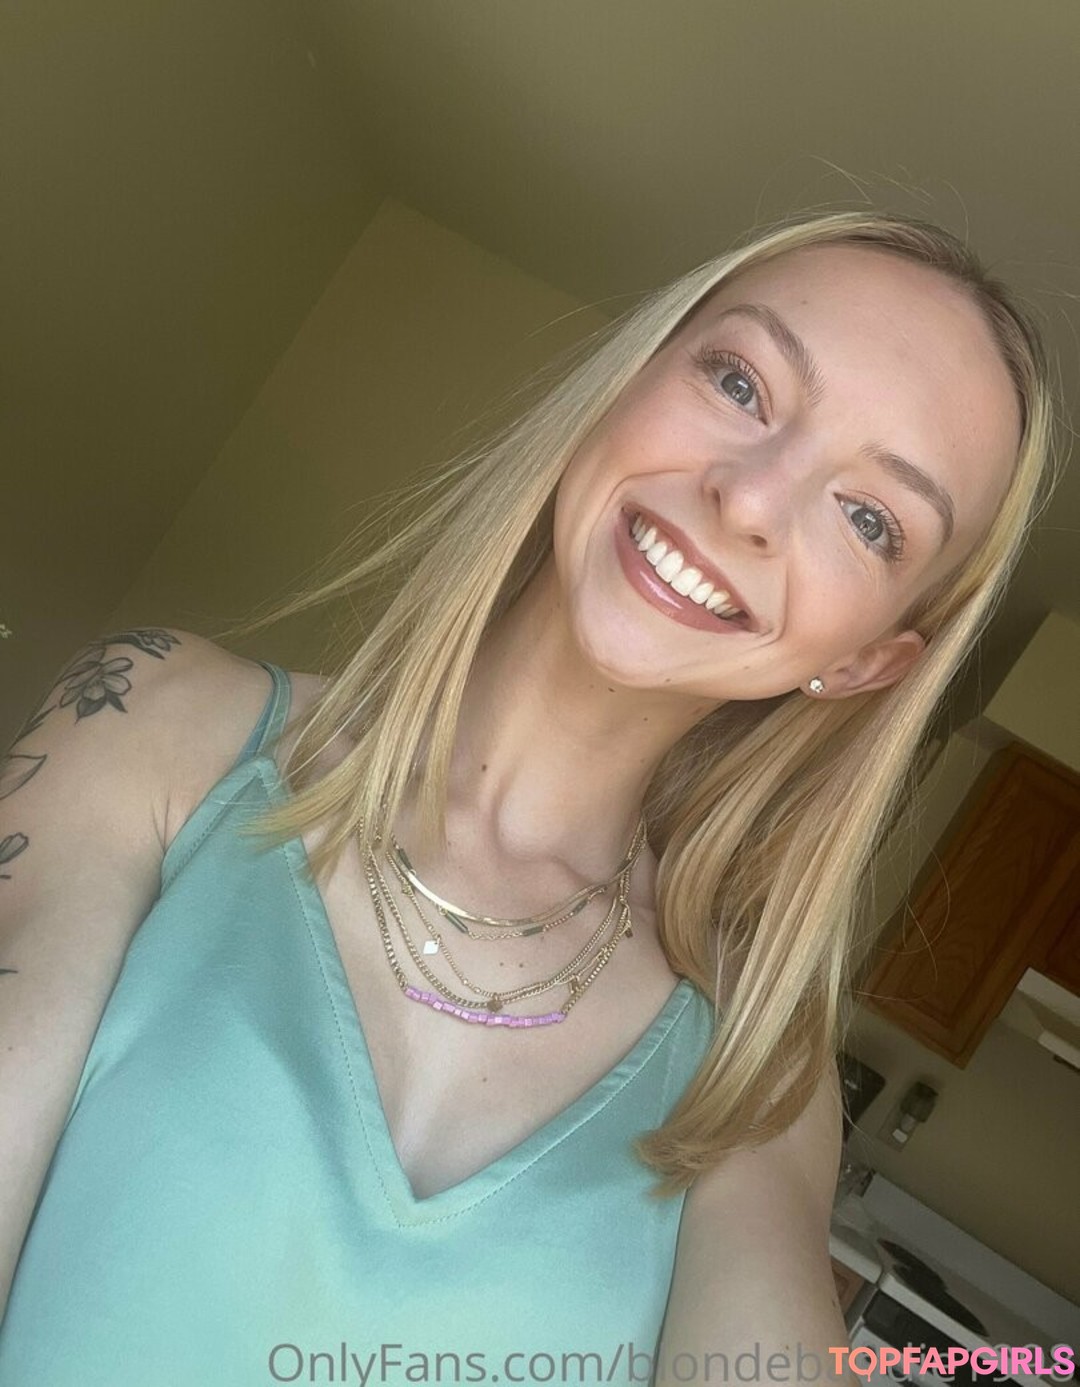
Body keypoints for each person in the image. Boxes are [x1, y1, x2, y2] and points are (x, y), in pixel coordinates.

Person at [0, 208, 1058, 1385]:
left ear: (862, 662)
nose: (753, 500)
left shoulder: (754, 1068)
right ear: (625, 382)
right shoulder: (159, 718)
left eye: (870, 519)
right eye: (740, 382)